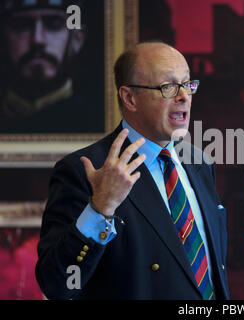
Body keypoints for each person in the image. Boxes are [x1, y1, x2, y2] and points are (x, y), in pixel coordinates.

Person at [35, 41, 229, 300]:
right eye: (168, 87)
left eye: (187, 84)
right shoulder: (87, 169)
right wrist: (99, 209)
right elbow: (57, 283)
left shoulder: (199, 163)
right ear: (129, 98)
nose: (184, 96)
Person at [0, 0, 103, 133]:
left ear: (77, 38)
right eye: (21, 26)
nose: (37, 40)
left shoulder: (97, 116)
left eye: (53, 25)